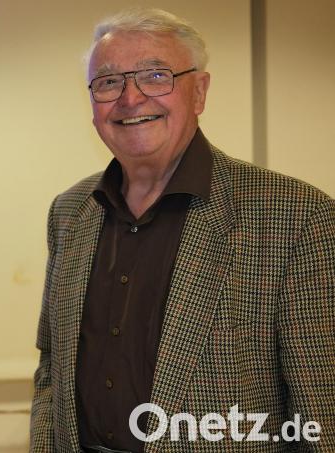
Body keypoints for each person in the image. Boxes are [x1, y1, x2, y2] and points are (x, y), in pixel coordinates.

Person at [30, 7, 334, 453]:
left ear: (200, 92)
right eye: (109, 82)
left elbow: (321, 412)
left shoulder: (296, 217)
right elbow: (51, 367)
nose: (130, 99)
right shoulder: (69, 212)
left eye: (155, 76)